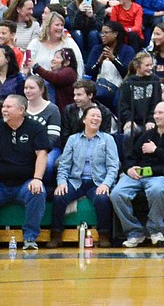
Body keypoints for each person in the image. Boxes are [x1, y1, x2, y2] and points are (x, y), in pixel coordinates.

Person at [0, 94, 50, 251]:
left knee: (38, 191)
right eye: (4, 107)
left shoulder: (36, 128)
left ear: (21, 110)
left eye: (8, 107)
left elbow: (42, 154)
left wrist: (37, 178)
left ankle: (29, 238)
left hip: (24, 184)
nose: (4, 110)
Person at [109, 101, 164, 248]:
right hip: (137, 174)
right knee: (116, 193)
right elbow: (130, 156)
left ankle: (155, 230)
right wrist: (129, 169)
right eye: (155, 113)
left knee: (157, 190)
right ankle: (134, 232)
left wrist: (156, 150)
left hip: (159, 176)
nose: (156, 116)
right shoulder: (148, 134)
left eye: (160, 113)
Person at [49, 104, 118, 248]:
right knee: (59, 196)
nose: (96, 118)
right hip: (76, 181)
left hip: (97, 181)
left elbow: (113, 166)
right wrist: (61, 182)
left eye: (98, 116)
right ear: (84, 120)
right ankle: (56, 235)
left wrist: (106, 184)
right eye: (92, 115)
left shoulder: (108, 139)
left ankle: (104, 235)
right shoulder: (73, 139)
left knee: (102, 199)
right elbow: (64, 165)